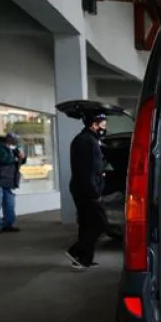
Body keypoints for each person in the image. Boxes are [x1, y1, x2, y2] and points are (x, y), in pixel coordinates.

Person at [65, 113, 108, 269]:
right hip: (86, 190)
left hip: (84, 188)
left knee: (87, 224)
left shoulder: (89, 139)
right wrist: (94, 194)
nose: (105, 127)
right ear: (94, 124)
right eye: (103, 124)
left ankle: (85, 259)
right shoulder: (85, 141)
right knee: (100, 224)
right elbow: (86, 171)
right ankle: (75, 250)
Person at [0, 133, 26, 233]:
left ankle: (8, 224)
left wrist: (22, 157)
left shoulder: (12, 148)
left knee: (9, 204)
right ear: (8, 139)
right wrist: (16, 158)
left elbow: (21, 160)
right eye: (14, 140)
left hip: (8, 180)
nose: (16, 142)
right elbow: (3, 159)